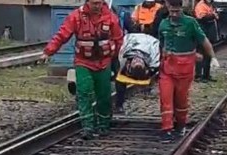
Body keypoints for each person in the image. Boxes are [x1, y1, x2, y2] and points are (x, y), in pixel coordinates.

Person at [40, 0, 123, 139]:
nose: (97, 6)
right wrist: (48, 52)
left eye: (99, 3)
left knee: (104, 94)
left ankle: (104, 124)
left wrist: (113, 56)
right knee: (83, 92)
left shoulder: (111, 18)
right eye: (94, 3)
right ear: (87, 2)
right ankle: (87, 126)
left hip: (104, 62)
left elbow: (118, 38)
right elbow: (62, 35)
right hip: (83, 62)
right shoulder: (75, 17)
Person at [158, 0, 220, 143]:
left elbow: (203, 40)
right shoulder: (163, 24)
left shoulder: (190, 23)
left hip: (184, 69)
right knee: (165, 98)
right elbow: (161, 42)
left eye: (177, 11)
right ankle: (166, 128)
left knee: (181, 99)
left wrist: (212, 57)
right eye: (172, 11)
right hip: (167, 68)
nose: (174, 14)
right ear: (168, 8)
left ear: (181, 8)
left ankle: (180, 125)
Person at [114, 33, 160, 113]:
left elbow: (121, 51)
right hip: (149, 41)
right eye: (139, 63)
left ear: (129, 65)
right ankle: (119, 105)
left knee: (119, 80)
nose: (137, 60)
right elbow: (156, 57)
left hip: (132, 39)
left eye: (135, 62)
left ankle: (119, 105)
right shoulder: (152, 61)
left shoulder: (124, 61)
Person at [194, 0, 220, 83]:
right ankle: (198, 75)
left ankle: (206, 75)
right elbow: (201, 17)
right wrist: (213, 15)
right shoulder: (201, 5)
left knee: (208, 55)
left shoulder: (211, 5)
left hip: (209, 33)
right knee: (201, 54)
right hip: (203, 32)